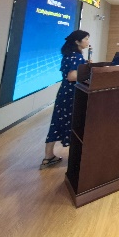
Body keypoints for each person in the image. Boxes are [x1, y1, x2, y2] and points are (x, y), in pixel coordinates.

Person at [41, 30, 90, 169]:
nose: (88, 41)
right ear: (77, 41)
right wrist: (88, 72)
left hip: (64, 92)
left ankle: (48, 156)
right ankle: (76, 156)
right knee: (73, 123)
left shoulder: (69, 55)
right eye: (86, 39)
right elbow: (72, 76)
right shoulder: (76, 56)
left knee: (57, 121)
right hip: (72, 93)